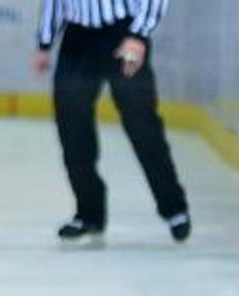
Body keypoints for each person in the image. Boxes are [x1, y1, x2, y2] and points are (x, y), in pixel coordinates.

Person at [34, 0, 190, 244]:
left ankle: (174, 207)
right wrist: (44, 42)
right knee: (72, 127)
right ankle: (89, 213)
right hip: (78, 38)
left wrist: (138, 34)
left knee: (142, 125)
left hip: (123, 32)